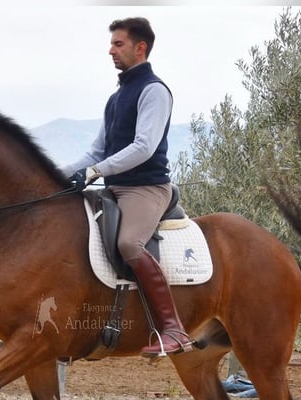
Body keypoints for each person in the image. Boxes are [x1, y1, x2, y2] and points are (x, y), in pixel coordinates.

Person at [63, 17, 193, 359]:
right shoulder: (116, 98)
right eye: (111, 44)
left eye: (118, 44)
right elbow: (96, 151)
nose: (111, 50)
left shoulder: (154, 91)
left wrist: (95, 172)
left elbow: (144, 146)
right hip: (114, 187)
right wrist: (51, 175)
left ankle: (173, 329)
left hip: (146, 189)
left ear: (140, 48)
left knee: (129, 244)